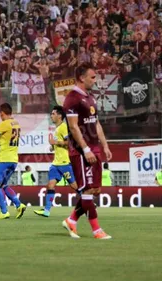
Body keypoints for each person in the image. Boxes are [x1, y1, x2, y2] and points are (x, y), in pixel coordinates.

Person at [61, 63, 113, 239]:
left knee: (96, 189)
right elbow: (74, 128)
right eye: (92, 77)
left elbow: (96, 123)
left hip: (95, 148)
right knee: (87, 191)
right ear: (82, 77)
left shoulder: (91, 98)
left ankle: (72, 220)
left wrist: (104, 145)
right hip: (81, 151)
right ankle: (97, 230)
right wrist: (85, 149)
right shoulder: (72, 99)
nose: (95, 80)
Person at [34, 105, 77, 218]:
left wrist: (56, 143)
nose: (51, 116)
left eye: (53, 114)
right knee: (50, 185)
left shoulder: (63, 127)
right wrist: (53, 147)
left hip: (64, 163)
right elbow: (58, 144)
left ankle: (89, 201)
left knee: (74, 185)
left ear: (59, 115)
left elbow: (70, 143)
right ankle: (47, 211)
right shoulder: (57, 129)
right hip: (56, 163)